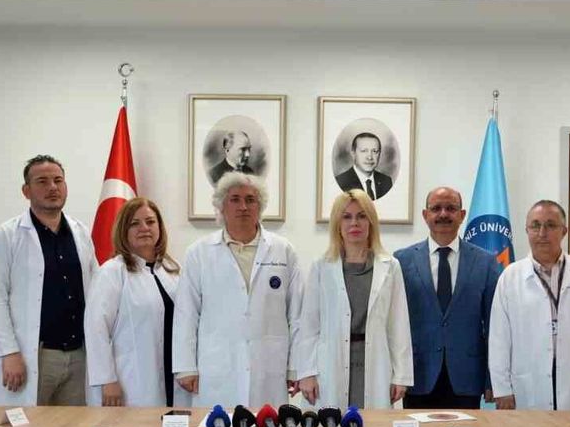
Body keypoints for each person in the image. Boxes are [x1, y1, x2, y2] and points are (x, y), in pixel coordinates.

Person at [173, 173, 305, 409]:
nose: (243, 206)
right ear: (221, 206)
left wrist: (295, 366)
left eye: (250, 200)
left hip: (269, 366)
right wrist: (185, 367)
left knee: (266, 426)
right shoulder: (199, 253)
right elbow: (186, 314)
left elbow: (296, 314)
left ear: (260, 207)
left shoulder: (283, 251)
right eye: (235, 199)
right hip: (217, 365)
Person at [0, 155, 97, 407]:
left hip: (79, 356)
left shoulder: (80, 232)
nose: (52, 187)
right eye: (42, 181)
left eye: (58, 180)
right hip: (34, 356)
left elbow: (96, 292)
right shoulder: (8, 235)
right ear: (26, 191)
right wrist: (9, 352)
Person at [489, 200, 570, 411]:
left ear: (564, 231)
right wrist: (502, 389)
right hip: (528, 382)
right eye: (535, 225)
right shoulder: (510, 277)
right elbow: (499, 339)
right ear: (527, 230)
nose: (542, 233)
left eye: (550, 225)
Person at [297, 190, 413, 409]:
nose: (354, 223)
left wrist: (401, 376)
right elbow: (309, 326)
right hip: (330, 362)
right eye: (346, 217)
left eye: (361, 216)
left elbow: (398, 324)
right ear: (337, 224)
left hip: (374, 360)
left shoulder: (390, 266)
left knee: (373, 426)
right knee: (331, 424)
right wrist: (307, 373)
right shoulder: (322, 266)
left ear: (371, 222)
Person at [394, 187, 501, 409]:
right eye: (436, 208)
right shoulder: (402, 260)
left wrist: (492, 379)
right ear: (425, 215)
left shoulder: (485, 262)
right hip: (417, 375)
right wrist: (395, 374)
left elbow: (495, 326)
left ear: (462, 215)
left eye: (451, 208)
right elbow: (395, 323)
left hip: (467, 377)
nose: (443, 214)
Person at [85, 197, 190, 408]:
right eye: (135, 223)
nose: (144, 228)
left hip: (174, 376)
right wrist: (107, 379)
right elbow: (96, 329)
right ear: (123, 230)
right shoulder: (112, 272)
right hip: (130, 380)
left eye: (150, 222)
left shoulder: (173, 270)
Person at [334, 132, 393, 200]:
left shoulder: (386, 181)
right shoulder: (341, 182)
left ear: (379, 154)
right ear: (353, 153)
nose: (370, 157)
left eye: (374, 151)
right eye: (364, 151)